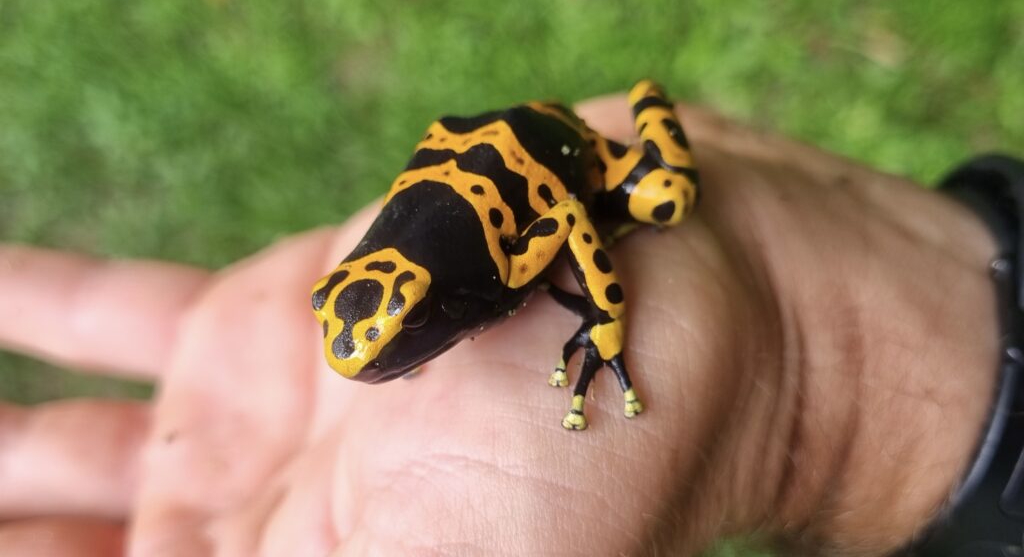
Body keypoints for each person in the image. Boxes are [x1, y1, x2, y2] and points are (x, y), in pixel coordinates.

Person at [0, 93, 1000, 556]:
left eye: (384, 330)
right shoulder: (435, 290)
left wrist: (606, 321)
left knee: (663, 203)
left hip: (561, 156)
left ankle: (655, 113)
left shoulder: (509, 270)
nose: (357, 355)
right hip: (475, 163)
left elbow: (566, 223)